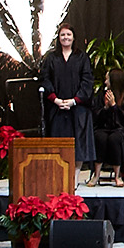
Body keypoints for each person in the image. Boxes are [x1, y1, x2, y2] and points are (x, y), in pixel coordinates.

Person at [39, 24, 96, 173]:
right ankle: (58, 176)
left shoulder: (82, 57)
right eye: (63, 35)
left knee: (78, 144)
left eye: (68, 34)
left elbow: (87, 81)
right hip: (56, 107)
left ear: (74, 37)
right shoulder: (51, 58)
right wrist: (55, 99)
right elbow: (45, 79)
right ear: (58, 38)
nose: (66, 37)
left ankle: (75, 178)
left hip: (78, 107)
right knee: (58, 142)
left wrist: (74, 101)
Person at [91, 70, 124, 187]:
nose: (105, 82)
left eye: (107, 79)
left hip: (122, 130)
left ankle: (118, 175)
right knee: (100, 137)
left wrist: (114, 107)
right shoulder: (102, 95)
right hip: (104, 128)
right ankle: (96, 175)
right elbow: (95, 117)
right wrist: (106, 108)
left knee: (115, 138)